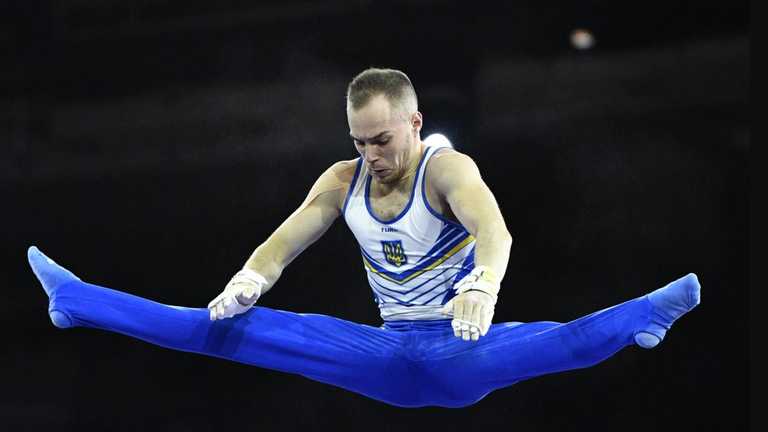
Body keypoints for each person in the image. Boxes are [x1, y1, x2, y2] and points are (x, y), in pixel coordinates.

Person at [28, 68, 700, 409]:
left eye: (381, 138)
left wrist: (482, 284)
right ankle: (78, 301)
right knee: (224, 327)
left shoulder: (447, 169)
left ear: (415, 122)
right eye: (358, 140)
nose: (370, 153)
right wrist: (249, 280)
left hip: (461, 348)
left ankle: (645, 317)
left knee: (555, 339)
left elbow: (493, 229)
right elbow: (284, 241)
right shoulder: (344, 178)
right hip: (382, 355)